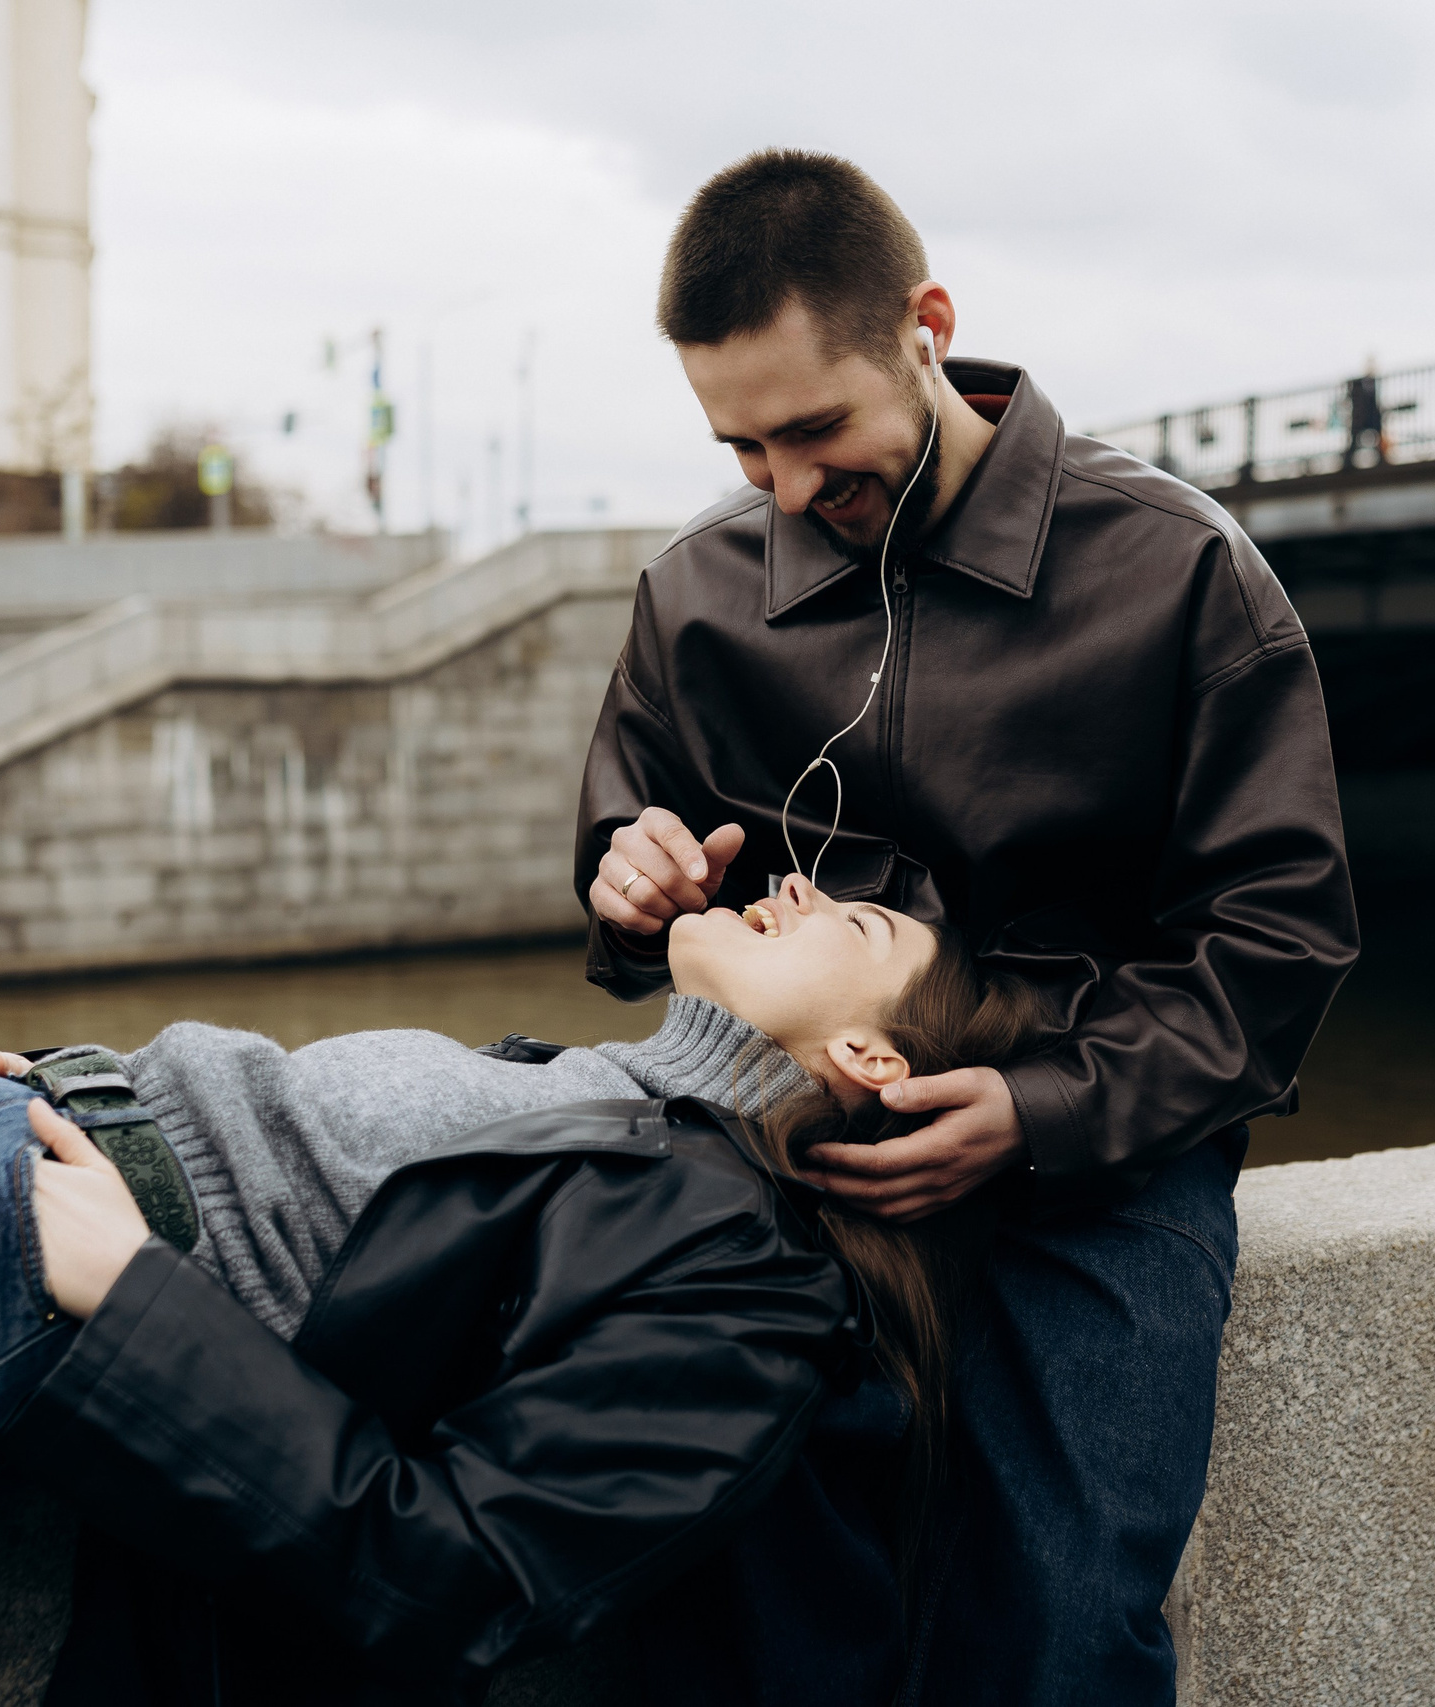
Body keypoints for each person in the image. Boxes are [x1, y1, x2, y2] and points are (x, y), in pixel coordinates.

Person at [0, 769, 1041, 1707]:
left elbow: (468, 1575)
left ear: (873, 1063)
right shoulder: (586, 1085)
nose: (805, 889)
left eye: (862, 922)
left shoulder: (747, 1278)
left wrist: (128, 1301)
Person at [577, 150, 1359, 1702]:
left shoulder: (1183, 571)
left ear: (927, 327)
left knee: (1058, 1622)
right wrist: (627, 880)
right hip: (788, 1153)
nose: (788, 491)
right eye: (741, 446)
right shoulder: (695, 594)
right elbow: (625, 874)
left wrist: (1038, 1112)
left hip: (1099, 1166)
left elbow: (1277, 941)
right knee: (731, 1589)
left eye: (815, 431)